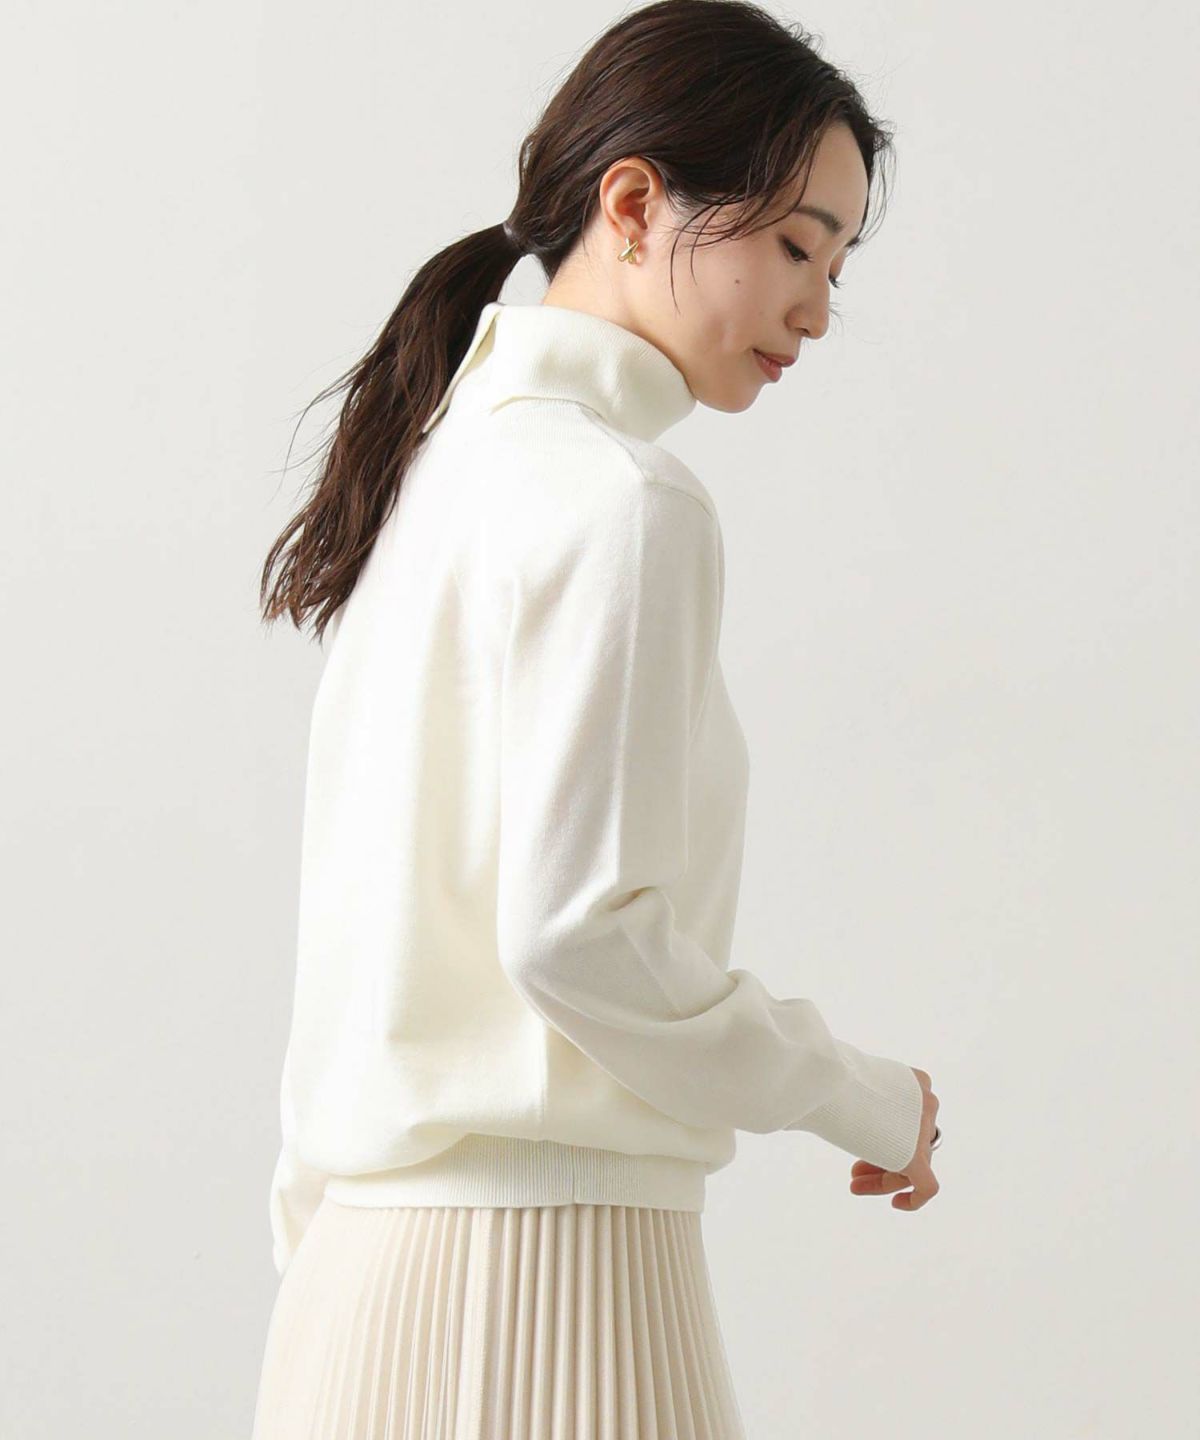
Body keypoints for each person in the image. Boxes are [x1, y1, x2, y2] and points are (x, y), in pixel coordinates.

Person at [250, 2, 941, 1435]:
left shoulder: (435, 476)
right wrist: (865, 1098)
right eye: (795, 245)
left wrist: (323, 1251)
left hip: (351, 1292)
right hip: (558, 1286)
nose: (818, 308)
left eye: (835, 265)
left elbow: (348, 943)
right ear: (633, 205)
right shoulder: (621, 502)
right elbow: (580, 937)